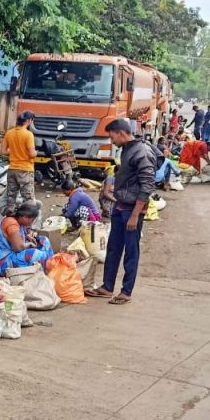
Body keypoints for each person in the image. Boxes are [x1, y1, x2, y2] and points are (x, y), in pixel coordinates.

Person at [86, 119, 156, 305]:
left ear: (121, 133)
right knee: (113, 248)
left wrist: (135, 215)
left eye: (112, 137)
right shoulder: (127, 149)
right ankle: (107, 287)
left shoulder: (142, 152)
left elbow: (147, 185)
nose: (112, 141)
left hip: (132, 210)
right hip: (120, 206)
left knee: (131, 251)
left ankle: (126, 291)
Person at [0, 201, 53, 277]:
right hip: (2, 262)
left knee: (44, 240)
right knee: (34, 254)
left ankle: (50, 265)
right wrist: (29, 244)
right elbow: (19, 248)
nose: (31, 223)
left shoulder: (19, 221)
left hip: (13, 255)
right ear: (25, 217)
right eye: (32, 220)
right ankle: (46, 273)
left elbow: (22, 235)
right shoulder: (11, 223)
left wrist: (29, 236)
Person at [1, 110, 37, 215]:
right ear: (29, 121)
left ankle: (9, 219)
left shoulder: (9, 132)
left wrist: (14, 151)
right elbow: (31, 154)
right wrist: (36, 152)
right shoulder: (28, 135)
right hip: (25, 170)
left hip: (12, 169)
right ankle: (28, 224)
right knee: (28, 199)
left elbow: (3, 151)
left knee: (11, 198)